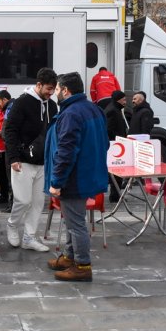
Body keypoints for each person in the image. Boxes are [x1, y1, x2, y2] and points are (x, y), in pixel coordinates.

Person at [44, 72, 108, 282]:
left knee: (76, 224)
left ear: (66, 90)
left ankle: (82, 265)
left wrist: (56, 182)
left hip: (74, 178)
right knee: (73, 221)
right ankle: (69, 257)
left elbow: (66, 151)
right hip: (86, 175)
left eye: (59, 89)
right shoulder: (94, 109)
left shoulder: (71, 114)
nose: (56, 93)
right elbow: (105, 143)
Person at [3, 67, 59, 252]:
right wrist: (13, 157)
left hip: (43, 162)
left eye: (53, 89)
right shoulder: (22, 102)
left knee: (37, 203)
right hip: (22, 160)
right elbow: (10, 130)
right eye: (48, 89)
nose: (50, 93)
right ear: (38, 85)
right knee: (23, 200)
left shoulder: (51, 105)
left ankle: (29, 237)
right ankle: (12, 224)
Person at [103, 90, 128, 202]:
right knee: (117, 172)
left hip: (117, 145)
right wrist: (117, 140)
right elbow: (109, 128)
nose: (125, 101)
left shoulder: (114, 108)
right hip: (116, 146)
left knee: (117, 172)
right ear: (118, 99)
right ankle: (115, 196)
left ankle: (116, 195)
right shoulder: (113, 110)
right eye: (123, 99)